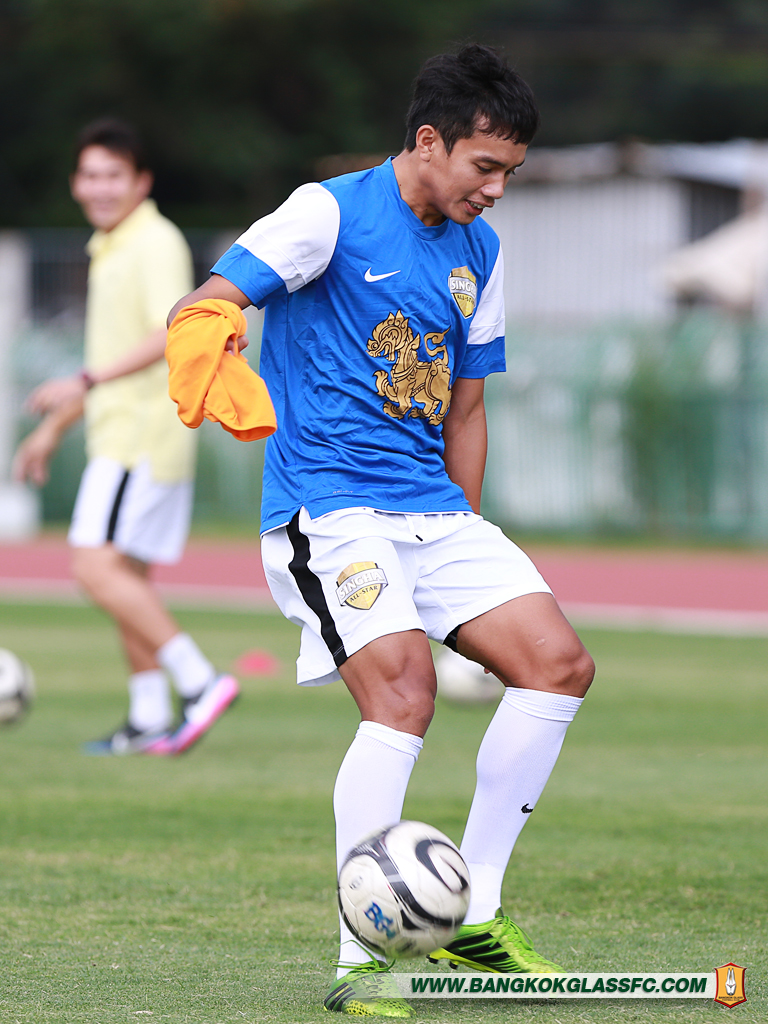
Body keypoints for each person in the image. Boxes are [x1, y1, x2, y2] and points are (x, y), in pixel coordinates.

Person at [167, 44, 594, 1017]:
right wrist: (208, 333)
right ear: (429, 141)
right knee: (403, 692)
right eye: (485, 166)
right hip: (327, 506)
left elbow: (467, 408)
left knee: (558, 665)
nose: (496, 189)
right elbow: (212, 299)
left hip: (431, 508)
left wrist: (466, 536)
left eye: (511, 173)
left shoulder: (481, 251)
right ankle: (365, 955)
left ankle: (474, 909)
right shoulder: (327, 213)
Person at [13, 119, 239, 756]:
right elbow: (108, 359)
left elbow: (171, 331)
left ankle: (199, 681)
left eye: (114, 175)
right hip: (126, 434)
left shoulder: (152, 242)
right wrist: (55, 427)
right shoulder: (110, 245)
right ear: (75, 183)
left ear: (142, 182)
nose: (101, 187)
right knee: (128, 577)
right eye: (90, 175)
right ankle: (148, 716)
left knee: (94, 567)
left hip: (141, 438)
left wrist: (82, 381)